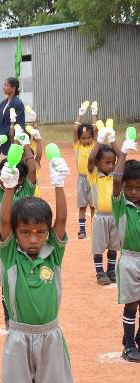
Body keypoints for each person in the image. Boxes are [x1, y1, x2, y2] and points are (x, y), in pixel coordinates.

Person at [0, 144, 73, 383]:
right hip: (19, 334)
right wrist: (10, 187)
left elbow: (63, 219)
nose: (33, 239)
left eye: (40, 233)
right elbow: (3, 220)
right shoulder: (10, 254)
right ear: (15, 235)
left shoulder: (53, 254)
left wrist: (58, 184)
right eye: (25, 233)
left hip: (49, 335)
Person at [0, 135, 37, 328]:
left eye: (14, 175)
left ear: (22, 179)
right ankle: (8, 319)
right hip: (7, 247)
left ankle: (24, 315)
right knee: (7, 285)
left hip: (28, 247)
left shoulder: (26, 191)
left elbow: (32, 168)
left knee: (27, 283)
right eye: (4, 174)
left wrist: (26, 145)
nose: (6, 177)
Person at [111, 133, 140, 362]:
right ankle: (129, 346)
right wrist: (123, 153)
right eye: (130, 188)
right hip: (129, 260)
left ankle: (133, 339)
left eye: (138, 188)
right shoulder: (121, 205)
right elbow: (117, 181)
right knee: (131, 304)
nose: (133, 192)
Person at [87, 133, 119, 285]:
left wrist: (112, 141)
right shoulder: (94, 176)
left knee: (114, 244)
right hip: (100, 217)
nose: (111, 165)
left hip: (116, 216)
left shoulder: (116, 176)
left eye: (113, 162)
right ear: (98, 163)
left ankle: (111, 270)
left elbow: (122, 159)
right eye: (107, 162)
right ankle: (100, 272)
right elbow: (90, 160)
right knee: (99, 246)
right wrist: (99, 142)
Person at [74, 101, 98, 238]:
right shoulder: (78, 146)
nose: (87, 140)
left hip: (93, 178)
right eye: (83, 138)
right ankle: (82, 230)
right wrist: (80, 114)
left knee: (94, 206)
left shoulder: (94, 144)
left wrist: (94, 114)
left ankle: (95, 229)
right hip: (82, 179)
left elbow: (95, 130)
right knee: (82, 206)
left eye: (89, 137)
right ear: (79, 139)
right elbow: (74, 129)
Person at [0, 78, 25, 156]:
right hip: (1, 141)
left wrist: (2, 134)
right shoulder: (2, 103)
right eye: (4, 85)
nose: (4, 87)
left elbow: (18, 123)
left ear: (14, 88)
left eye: (6, 85)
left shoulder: (18, 104)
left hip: (11, 141)